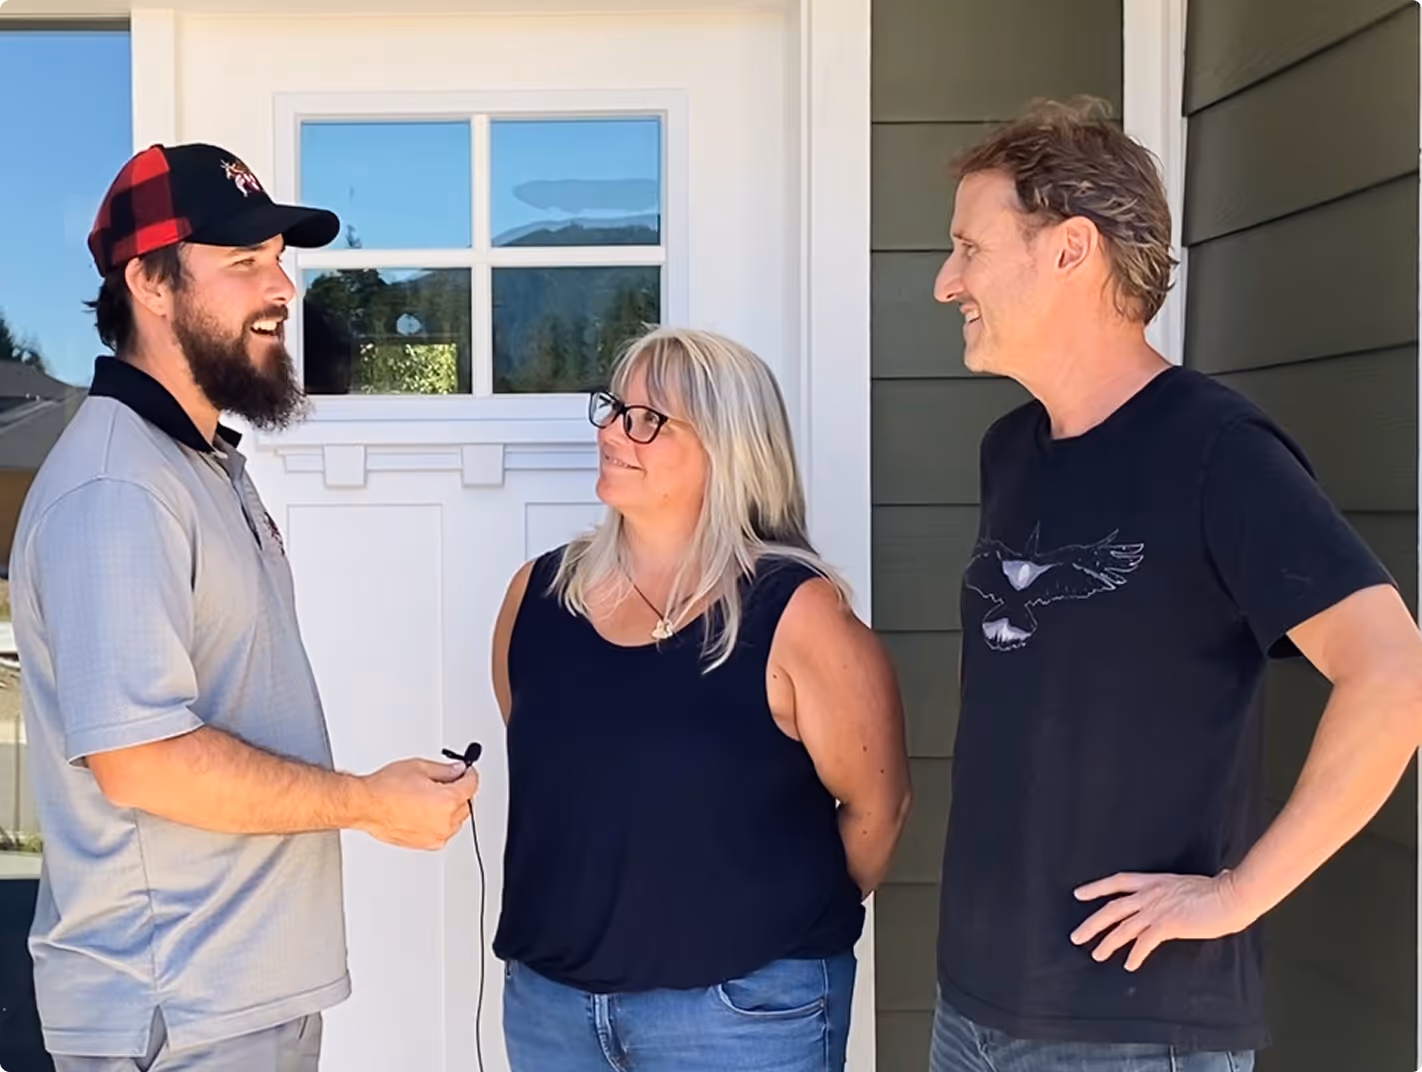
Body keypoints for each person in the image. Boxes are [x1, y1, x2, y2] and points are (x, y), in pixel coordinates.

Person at [925, 96, 1422, 1072]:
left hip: (1134, 1026)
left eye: (969, 248)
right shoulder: (1011, 452)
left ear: (1071, 250)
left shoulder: (1217, 450)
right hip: (976, 1003)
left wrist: (1237, 894)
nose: (948, 283)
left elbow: (1395, 673)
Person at [10, 142, 481, 1072]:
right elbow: (142, 762)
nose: (281, 288)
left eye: (277, 258)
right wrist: (366, 804)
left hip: (235, 1001)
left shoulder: (198, 464)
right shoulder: (118, 488)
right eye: (243, 262)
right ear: (149, 282)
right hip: (178, 1009)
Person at [489, 325, 912, 1072]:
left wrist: (767, 927)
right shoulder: (538, 596)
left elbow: (879, 807)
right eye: (614, 409)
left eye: (648, 420)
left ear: (729, 448)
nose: (614, 433)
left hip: (745, 1014)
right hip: (552, 1012)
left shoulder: (799, 614)